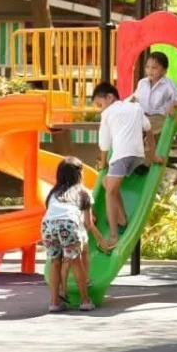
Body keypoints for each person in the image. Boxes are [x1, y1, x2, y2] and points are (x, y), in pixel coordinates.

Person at [42, 157, 110, 313]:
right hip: (68, 225)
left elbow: (51, 212)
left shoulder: (53, 193)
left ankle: (54, 302)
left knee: (55, 262)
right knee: (76, 261)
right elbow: (88, 223)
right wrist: (101, 239)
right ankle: (85, 301)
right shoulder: (83, 193)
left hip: (48, 225)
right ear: (79, 174)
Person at [92, 82, 150, 244]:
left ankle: (113, 236)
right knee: (107, 182)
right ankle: (122, 219)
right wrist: (152, 155)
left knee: (109, 193)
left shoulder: (108, 113)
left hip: (121, 156)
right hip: (138, 156)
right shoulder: (135, 107)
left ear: (109, 97)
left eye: (100, 104)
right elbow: (148, 128)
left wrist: (103, 163)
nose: (101, 109)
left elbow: (104, 143)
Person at [130, 51, 177, 164]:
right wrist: (130, 101)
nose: (150, 70)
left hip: (158, 117)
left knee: (150, 134)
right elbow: (136, 96)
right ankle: (131, 158)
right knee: (132, 131)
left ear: (164, 70)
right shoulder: (142, 83)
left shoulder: (169, 84)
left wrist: (172, 105)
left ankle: (146, 162)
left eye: (154, 68)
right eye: (147, 67)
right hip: (143, 115)